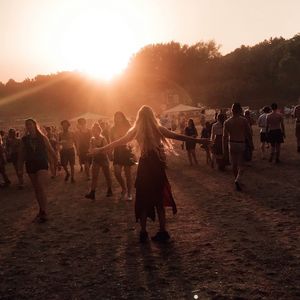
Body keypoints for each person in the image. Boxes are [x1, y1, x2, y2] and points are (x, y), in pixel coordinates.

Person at [91, 105, 209, 243]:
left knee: (142, 198)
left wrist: (100, 149)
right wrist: (200, 140)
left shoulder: (136, 131)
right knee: (158, 199)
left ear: (139, 117)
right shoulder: (158, 129)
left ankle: (143, 231)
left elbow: (118, 142)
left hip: (145, 165)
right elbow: (179, 137)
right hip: (156, 166)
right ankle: (163, 231)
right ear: (152, 116)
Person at [18, 119, 57, 222]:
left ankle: (44, 211)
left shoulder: (42, 138)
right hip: (30, 164)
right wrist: (20, 168)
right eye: (27, 125)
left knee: (40, 186)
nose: (29, 126)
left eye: (30, 124)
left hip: (41, 163)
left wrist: (57, 161)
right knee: (36, 189)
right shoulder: (24, 139)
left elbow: (50, 150)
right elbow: (21, 155)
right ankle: (41, 209)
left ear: (35, 125)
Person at [223, 103, 252, 191]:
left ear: (232, 110)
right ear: (240, 110)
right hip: (241, 142)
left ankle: (237, 180)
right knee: (242, 165)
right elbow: (248, 133)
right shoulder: (243, 120)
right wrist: (251, 143)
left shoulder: (227, 122)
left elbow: (224, 136)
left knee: (234, 164)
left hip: (231, 143)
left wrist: (224, 148)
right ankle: (238, 179)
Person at [110, 112, 135, 201]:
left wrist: (131, 147)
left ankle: (129, 193)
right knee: (117, 172)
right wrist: (110, 152)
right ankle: (123, 187)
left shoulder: (128, 127)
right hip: (117, 151)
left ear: (123, 117)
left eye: (120, 117)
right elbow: (111, 142)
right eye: (116, 117)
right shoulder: (112, 129)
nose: (118, 118)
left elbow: (133, 138)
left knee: (128, 174)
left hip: (126, 150)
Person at [85, 123, 113, 200]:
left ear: (99, 131)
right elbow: (90, 149)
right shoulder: (92, 139)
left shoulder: (103, 139)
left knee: (107, 176)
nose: (94, 132)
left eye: (96, 131)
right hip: (96, 160)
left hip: (103, 159)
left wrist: (96, 151)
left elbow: (106, 150)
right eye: (93, 131)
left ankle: (110, 190)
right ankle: (92, 193)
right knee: (94, 177)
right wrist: (90, 153)